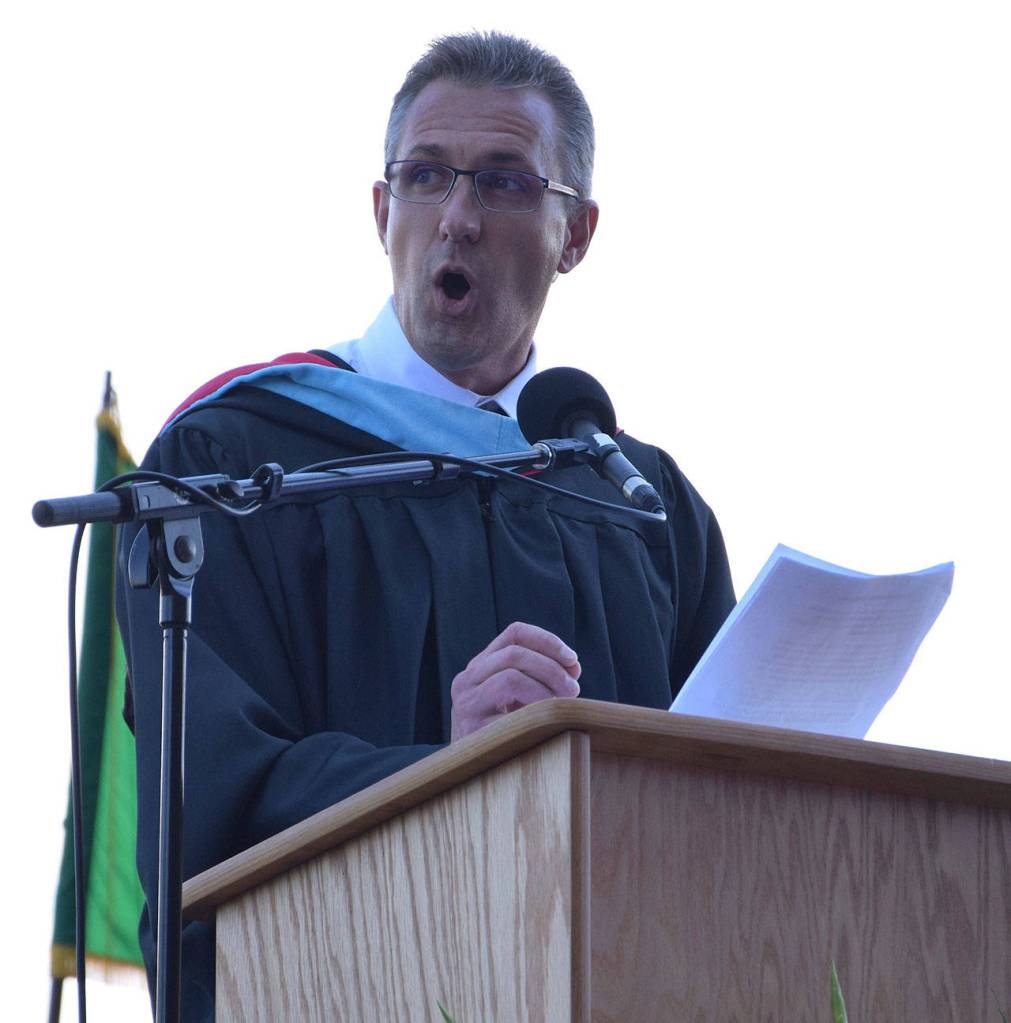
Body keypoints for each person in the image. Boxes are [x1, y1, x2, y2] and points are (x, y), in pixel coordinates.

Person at [116, 31, 736, 1020]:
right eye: (426, 177)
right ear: (380, 210)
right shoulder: (231, 463)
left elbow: (731, 809)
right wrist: (444, 773)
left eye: (505, 184)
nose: (456, 218)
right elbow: (208, 803)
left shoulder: (642, 506)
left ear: (575, 234)